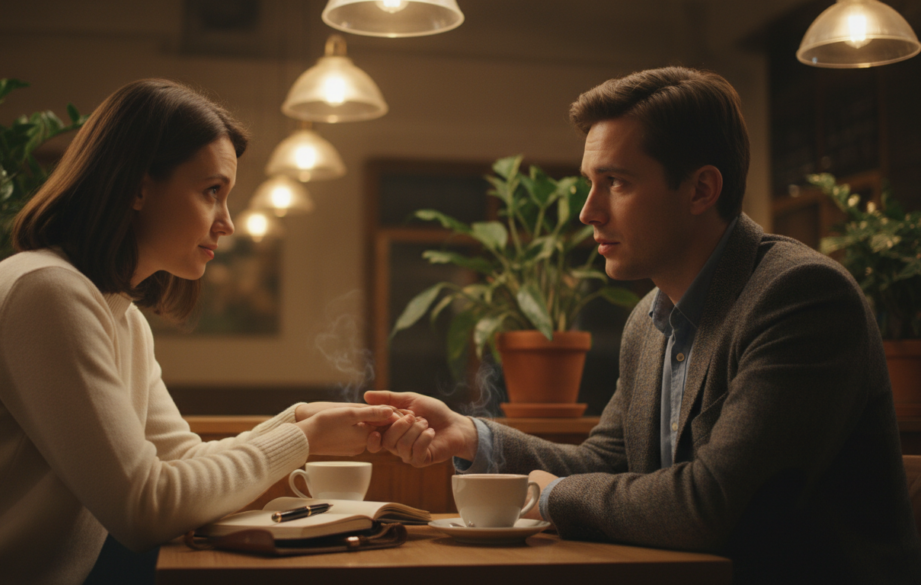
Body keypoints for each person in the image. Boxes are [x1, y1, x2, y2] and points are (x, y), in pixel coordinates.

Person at [367, 66, 921, 584]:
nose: (589, 211)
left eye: (616, 182)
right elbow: (603, 465)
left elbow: (713, 506)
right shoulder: (647, 321)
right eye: (591, 182)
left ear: (702, 190)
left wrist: (554, 497)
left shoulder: (799, 297)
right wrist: (474, 436)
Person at [0, 79, 398, 585]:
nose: (227, 223)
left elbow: (180, 460)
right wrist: (304, 438)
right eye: (211, 192)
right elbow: (145, 508)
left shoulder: (121, 316)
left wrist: (298, 420)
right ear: (137, 187)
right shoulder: (44, 292)